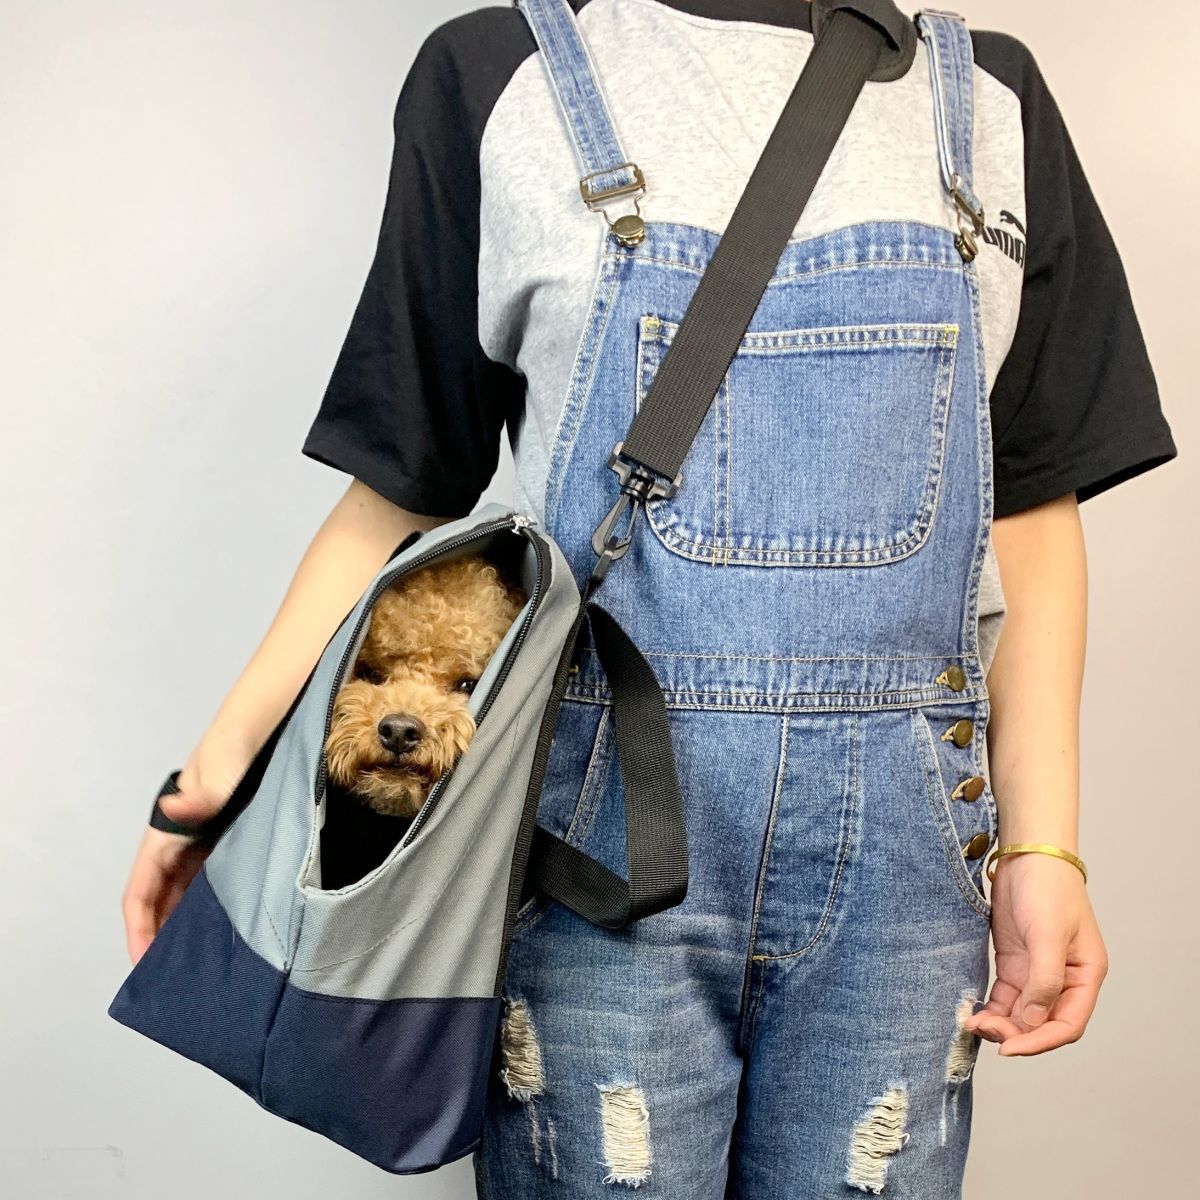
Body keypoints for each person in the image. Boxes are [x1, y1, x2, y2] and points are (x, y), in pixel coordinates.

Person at [121, 1, 1177, 1195]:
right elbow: (397, 495)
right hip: (591, 846)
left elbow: (1028, 512)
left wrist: (1044, 847)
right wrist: (221, 773)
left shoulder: (990, 101)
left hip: (906, 866)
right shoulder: (501, 74)